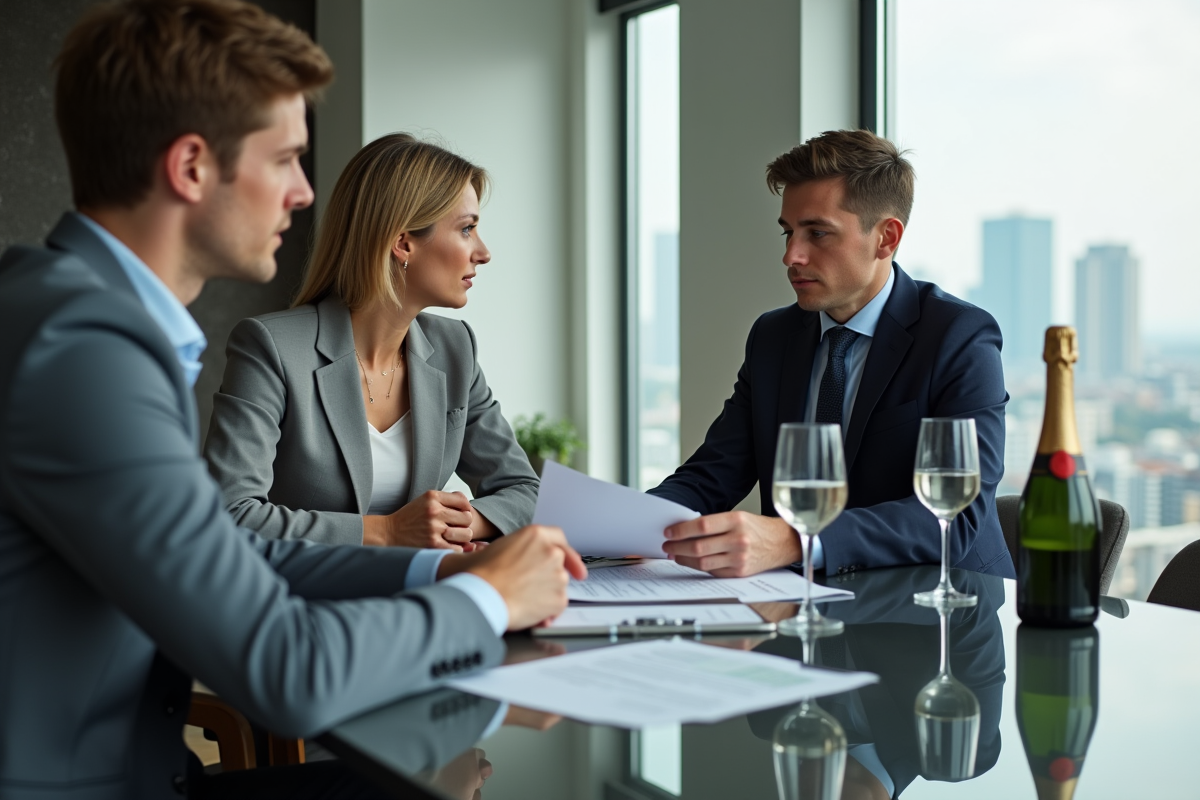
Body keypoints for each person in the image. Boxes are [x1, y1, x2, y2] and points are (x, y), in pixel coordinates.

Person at [0, 2, 583, 798]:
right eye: (284, 160)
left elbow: (228, 551)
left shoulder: (65, 310)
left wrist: (439, 570)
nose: (305, 194)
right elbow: (288, 667)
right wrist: (485, 596)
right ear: (191, 167)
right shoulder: (83, 351)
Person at [650, 129, 1013, 579]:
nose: (791, 256)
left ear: (886, 238)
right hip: (800, 601)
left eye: (817, 233)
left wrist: (795, 541)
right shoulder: (772, 336)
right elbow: (712, 476)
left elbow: (956, 517)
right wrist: (627, 529)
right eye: (788, 233)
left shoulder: (958, 336)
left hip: (941, 602)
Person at [203, 134, 536, 551]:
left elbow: (525, 490)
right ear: (403, 243)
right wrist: (389, 532)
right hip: (300, 588)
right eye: (467, 229)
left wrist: (458, 525)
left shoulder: (456, 349)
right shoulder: (271, 347)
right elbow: (230, 512)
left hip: (421, 584)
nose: (483, 252)